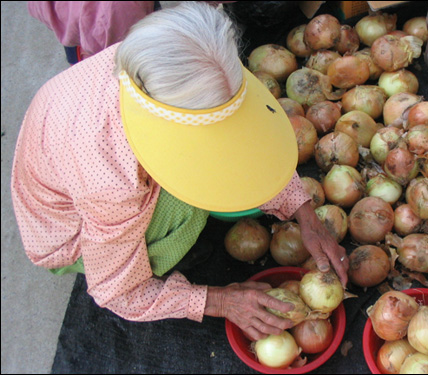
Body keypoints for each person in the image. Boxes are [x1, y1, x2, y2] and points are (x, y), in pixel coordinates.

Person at [12, 2, 348, 341]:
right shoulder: (114, 179)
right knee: (188, 206)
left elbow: (241, 139)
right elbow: (116, 293)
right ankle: (162, 249)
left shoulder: (154, 55)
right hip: (70, 232)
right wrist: (220, 300)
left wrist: (305, 214)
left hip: (78, 168)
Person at [27, 1, 158, 64]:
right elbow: (125, 48)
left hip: (74, 37)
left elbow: (37, 8)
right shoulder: (116, 9)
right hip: (114, 49)